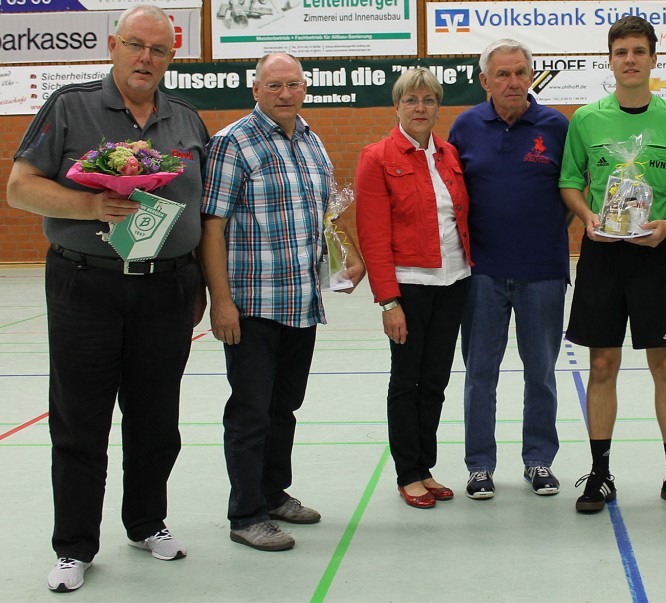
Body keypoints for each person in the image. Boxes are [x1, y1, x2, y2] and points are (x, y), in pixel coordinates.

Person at [6, 4, 206, 592]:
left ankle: (147, 522)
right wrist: (92, 205)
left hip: (167, 287)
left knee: (155, 418)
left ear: (173, 57)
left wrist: (202, 284)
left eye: (161, 50)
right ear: (114, 46)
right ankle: (74, 545)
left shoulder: (188, 122)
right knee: (79, 420)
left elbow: (203, 210)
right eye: (137, 45)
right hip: (85, 284)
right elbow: (21, 188)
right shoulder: (70, 107)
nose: (147, 58)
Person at [200, 52, 365, 551]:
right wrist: (220, 301)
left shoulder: (312, 141)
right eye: (274, 85)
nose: (285, 93)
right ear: (256, 89)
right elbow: (212, 226)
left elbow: (323, 218)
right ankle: (245, 514)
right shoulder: (232, 143)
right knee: (251, 411)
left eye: (293, 84)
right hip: (251, 304)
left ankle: (273, 493)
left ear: (305, 88)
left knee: (284, 406)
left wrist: (346, 260)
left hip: (301, 302)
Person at [560, 16, 666, 515]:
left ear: (653, 58)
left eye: (638, 51)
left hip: (655, 253)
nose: (630, 60)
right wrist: (586, 216)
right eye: (621, 52)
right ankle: (599, 474)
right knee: (602, 364)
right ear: (611, 59)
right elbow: (570, 181)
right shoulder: (587, 119)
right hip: (602, 253)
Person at [448, 39, 570, 500]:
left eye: (521, 72)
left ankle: (539, 460)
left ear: (531, 76)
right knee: (481, 373)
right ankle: (480, 466)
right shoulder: (465, 127)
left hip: (543, 272)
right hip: (481, 274)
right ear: (485, 81)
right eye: (502, 74)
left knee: (541, 372)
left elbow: (572, 194)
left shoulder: (556, 126)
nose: (513, 81)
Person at [355, 68, 472, 510]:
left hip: (454, 282)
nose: (420, 107)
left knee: (437, 381)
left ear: (438, 107)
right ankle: (408, 473)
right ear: (397, 106)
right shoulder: (377, 156)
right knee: (407, 380)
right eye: (411, 100)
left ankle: (425, 467)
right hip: (409, 287)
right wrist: (389, 301)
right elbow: (372, 235)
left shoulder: (449, 155)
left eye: (428, 100)